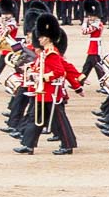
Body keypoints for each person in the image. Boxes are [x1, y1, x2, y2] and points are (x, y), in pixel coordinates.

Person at [15, 17, 83, 155]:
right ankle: (28, 145)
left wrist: (43, 77)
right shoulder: (45, 53)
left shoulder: (51, 53)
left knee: (59, 120)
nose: (39, 39)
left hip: (50, 92)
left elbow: (59, 71)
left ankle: (68, 145)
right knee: (35, 119)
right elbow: (38, 67)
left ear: (47, 38)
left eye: (41, 37)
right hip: (42, 92)